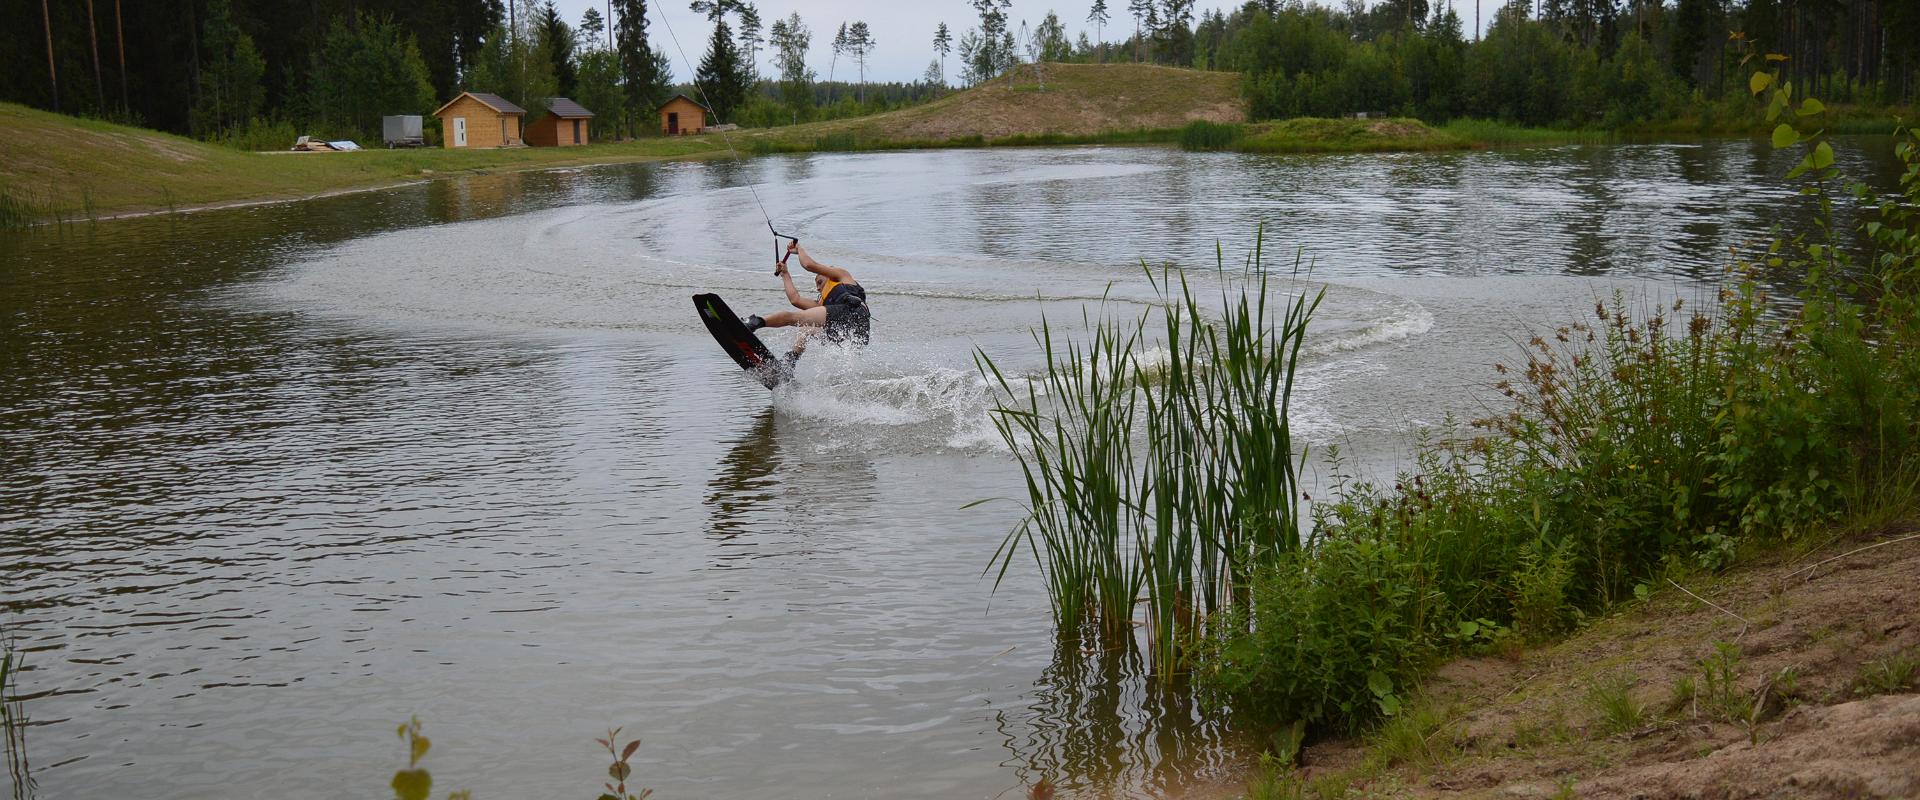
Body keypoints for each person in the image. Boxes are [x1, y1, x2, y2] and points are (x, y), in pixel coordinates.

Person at [742, 242, 870, 359]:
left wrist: (799, 249)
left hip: (855, 314)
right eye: (817, 286)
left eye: (819, 282)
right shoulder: (821, 305)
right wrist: (785, 274)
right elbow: (795, 299)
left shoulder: (842, 276)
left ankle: (754, 322)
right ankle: (789, 363)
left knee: (795, 317)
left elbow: (809, 265)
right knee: (805, 329)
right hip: (848, 333)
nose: (818, 288)